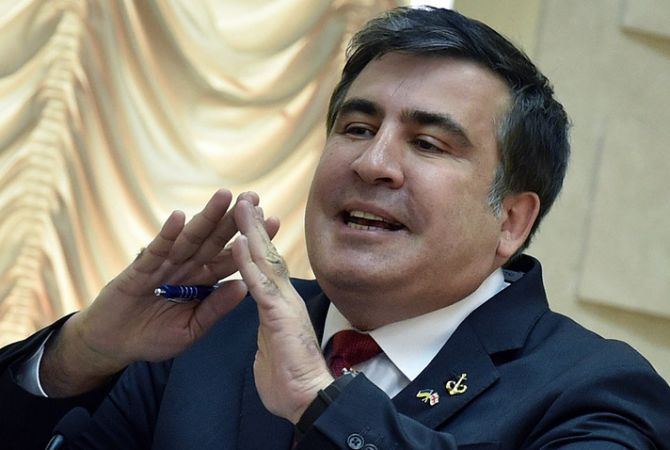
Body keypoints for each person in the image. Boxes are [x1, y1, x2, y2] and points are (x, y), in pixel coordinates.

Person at [1, 6, 669, 449]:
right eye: (356, 127)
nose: (373, 162)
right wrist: (78, 356)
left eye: (428, 144)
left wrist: (321, 403)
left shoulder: (595, 389)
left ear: (512, 220)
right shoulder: (212, 335)